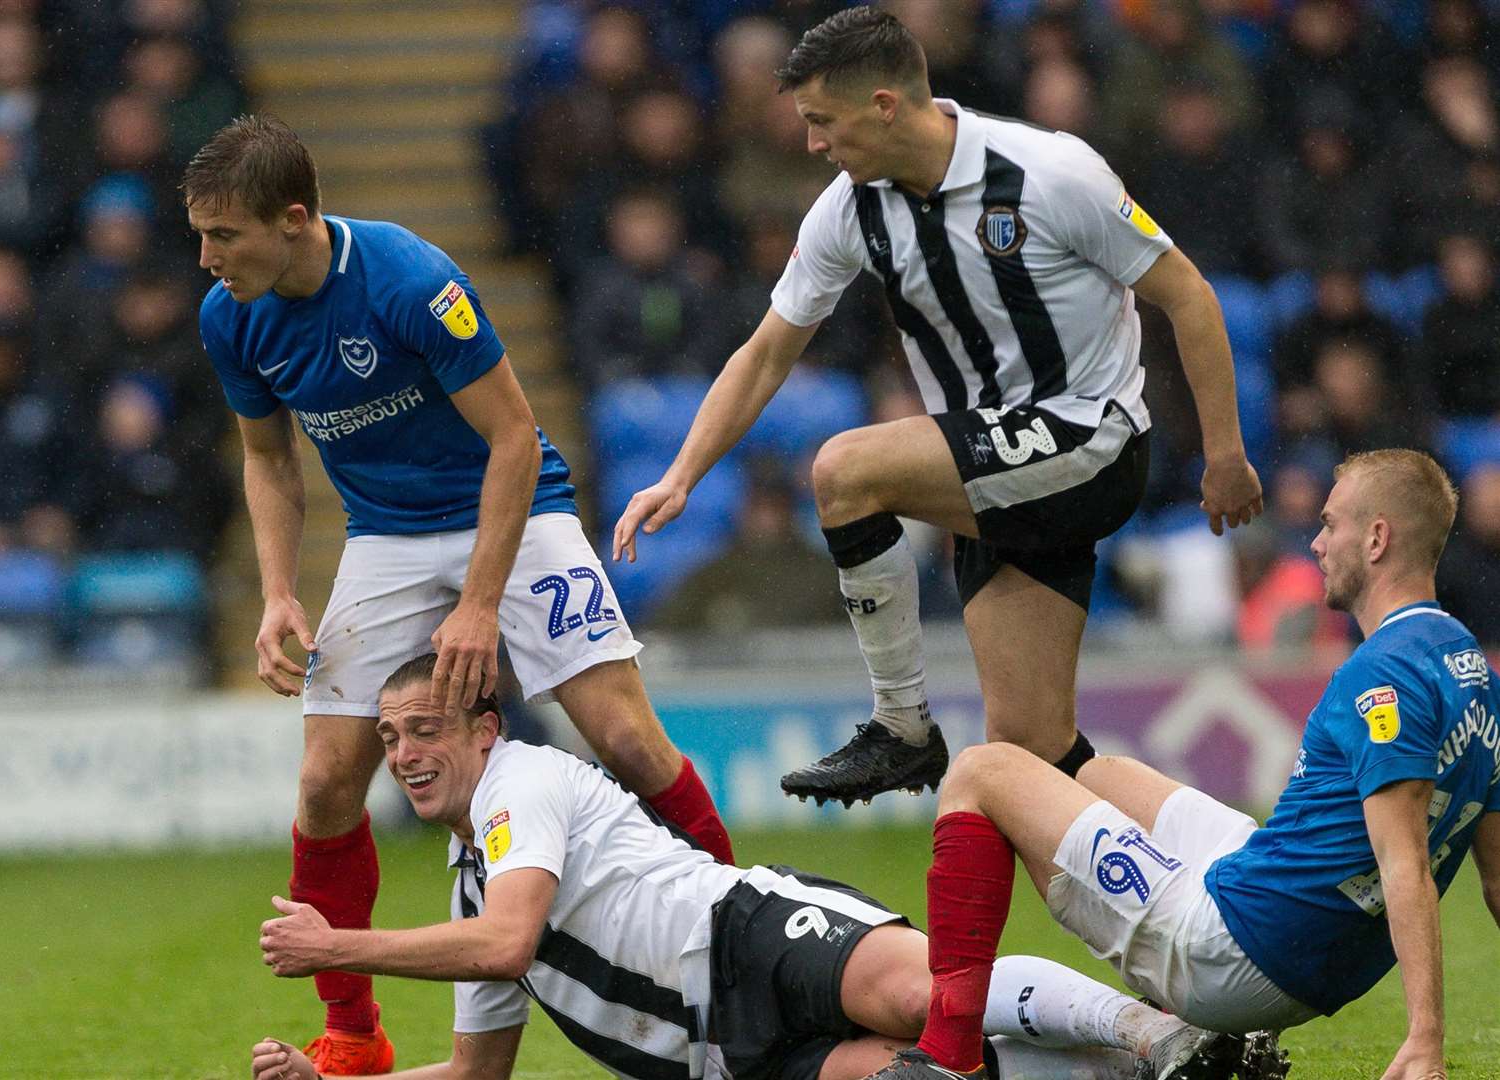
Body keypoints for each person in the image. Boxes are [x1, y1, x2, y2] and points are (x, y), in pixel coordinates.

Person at [184, 115, 732, 1074]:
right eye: (200, 234)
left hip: (514, 511)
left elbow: (516, 439)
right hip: (387, 537)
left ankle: (743, 938)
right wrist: (276, 592)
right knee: (321, 782)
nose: (206, 258)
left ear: (295, 219)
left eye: (223, 235)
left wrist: (478, 604)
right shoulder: (231, 315)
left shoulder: (408, 280)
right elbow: (267, 459)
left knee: (628, 739)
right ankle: (352, 1033)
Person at [614, 7, 1263, 806]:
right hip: (994, 473)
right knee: (1029, 762)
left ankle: (900, 728)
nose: (813, 143)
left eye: (822, 121)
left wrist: (1224, 454)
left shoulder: (1048, 173)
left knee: (845, 471)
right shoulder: (849, 207)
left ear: (884, 105)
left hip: (1088, 438)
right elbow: (765, 351)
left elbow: (1188, 297)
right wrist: (681, 474)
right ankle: (1220, 866)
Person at [249, 653, 1269, 1080]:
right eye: (388, 739)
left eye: (422, 728)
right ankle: (1150, 1069)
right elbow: (479, 1073)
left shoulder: (522, 781)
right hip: (717, 1057)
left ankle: (1157, 1029)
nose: (404, 754)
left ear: (481, 728)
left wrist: (337, 947)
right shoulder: (466, 883)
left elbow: (511, 940)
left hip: (741, 931)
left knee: (920, 997)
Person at [867, 449, 1500, 1079]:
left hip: (1235, 953)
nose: (1315, 543)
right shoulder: (1468, 667)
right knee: (1096, 775)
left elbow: (1404, 862)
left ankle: (949, 1060)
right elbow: (1495, 879)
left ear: (1377, 538)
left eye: (1332, 525)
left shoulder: (1381, 677)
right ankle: (1208, 1041)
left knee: (983, 770)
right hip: (1308, 939)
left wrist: (1426, 1039)